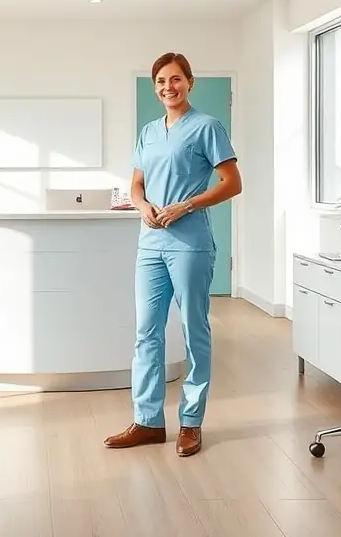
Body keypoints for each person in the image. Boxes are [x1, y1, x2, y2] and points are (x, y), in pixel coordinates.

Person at [104, 52, 242, 458]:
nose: (169, 87)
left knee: (193, 330)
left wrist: (187, 205)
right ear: (155, 87)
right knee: (146, 333)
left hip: (190, 244)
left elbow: (232, 183)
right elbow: (135, 185)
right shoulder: (148, 132)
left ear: (190, 82)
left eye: (176, 79)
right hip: (150, 246)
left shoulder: (207, 127)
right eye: (161, 81)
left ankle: (191, 423)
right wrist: (143, 207)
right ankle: (147, 421)